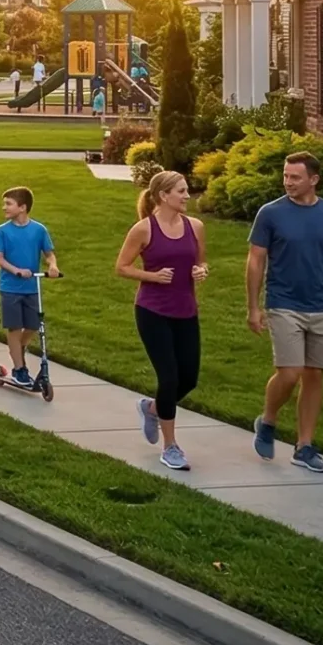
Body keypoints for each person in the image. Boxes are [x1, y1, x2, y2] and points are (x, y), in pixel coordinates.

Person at [247, 151, 323, 474]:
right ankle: (268, 420)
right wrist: (253, 306)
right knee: (290, 372)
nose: (288, 182)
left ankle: (305, 446)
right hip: (283, 303)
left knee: (314, 375)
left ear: (314, 179)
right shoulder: (270, 213)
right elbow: (256, 260)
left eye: (295, 177)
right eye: (285, 176)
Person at [117, 170, 207, 471]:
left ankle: (152, 408)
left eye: (186, 190)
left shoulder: (195, 226)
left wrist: (201, 271)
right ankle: (170, 447)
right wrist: (152, 276)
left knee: (189, 379)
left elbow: (201, 260)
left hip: (186, 310)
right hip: (152, 311)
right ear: (163, 196)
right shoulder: (144, 229)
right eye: (181, 191)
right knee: (169, 379)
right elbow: (122, 267)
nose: (187, 196)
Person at [0, 186, 59, 387]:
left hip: (31, 287)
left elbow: (49, 253)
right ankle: (19, 369)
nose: (4, 207)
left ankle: (17, 349)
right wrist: (17, 270)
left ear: (22, 207)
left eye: (8, 204)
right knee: (14, 327)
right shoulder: (3, 231)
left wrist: (53, 266)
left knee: (33, 325)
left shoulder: (39, 230)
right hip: (10, 287)